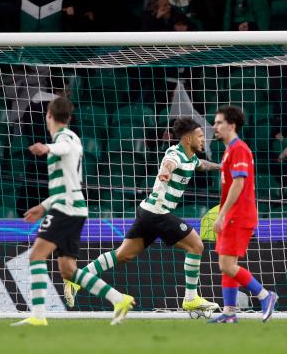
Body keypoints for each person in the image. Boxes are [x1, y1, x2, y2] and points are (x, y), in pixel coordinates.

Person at [65, 118, 221, 315]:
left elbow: (201, 165)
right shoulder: (175, 154)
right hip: (158, 213)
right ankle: (190, 299)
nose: (202, 139)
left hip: (148, 211)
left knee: (123, 255)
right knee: (196, 246)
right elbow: (169, 163)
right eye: (200, 136)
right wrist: (165, 172)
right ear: (188, 138)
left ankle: (76, 278)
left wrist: (220, 167)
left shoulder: (191, 158)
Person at [12, 97, 135, 327]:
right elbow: (68, 183)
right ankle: (119, 299)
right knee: (68, 270)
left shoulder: (64, 139)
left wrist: (46, 147)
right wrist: (43, 206)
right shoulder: (74, 138)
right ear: (68, 118)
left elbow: (62, 147)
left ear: (49, 115)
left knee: (36, 256)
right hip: (72, 206)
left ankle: (38, 316)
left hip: (66, 209)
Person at [208, 106, 278, 323]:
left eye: (219, 122)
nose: (215, 126)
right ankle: (229, 313)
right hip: (233, 215)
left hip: (238, 215)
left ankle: (265, 295)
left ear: (232, 125)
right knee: (225, 263)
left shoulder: (239, 149)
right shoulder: (230, 149)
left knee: (227, 265)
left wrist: (223, 214)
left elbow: (239, 184)